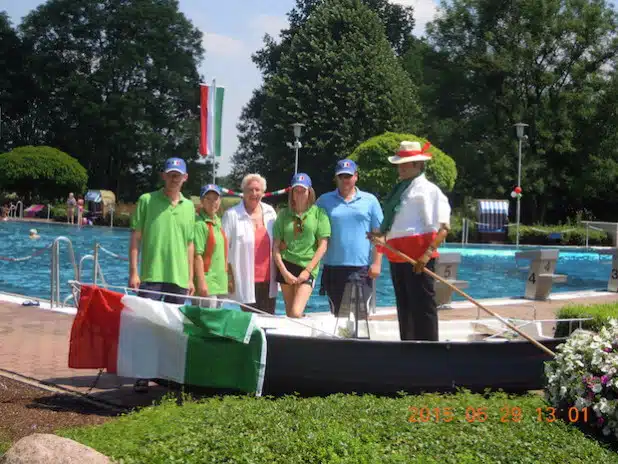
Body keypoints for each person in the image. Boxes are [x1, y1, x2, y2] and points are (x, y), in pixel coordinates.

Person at [368, 141, 451, 341]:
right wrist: (380, 237)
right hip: (397, 256)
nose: (400, 168)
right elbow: (399, 225)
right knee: (404, 306)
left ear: (418, 165)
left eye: (405, 164)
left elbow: (444, 227)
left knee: (423, 304)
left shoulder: (429, 191)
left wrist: (427, 253)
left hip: (418, 256)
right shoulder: (400, 190)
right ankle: (408, 344)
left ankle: (429, 347)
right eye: (399, 164)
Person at [129, 157, 196, 392]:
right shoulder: (147, 201)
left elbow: (190, 244)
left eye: (178, 174)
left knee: (175, 329)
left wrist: (189, 277)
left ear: (185, 178)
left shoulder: (189, 207)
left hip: (179, 278)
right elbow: (136, 237)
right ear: (163, 176)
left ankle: (171, 375)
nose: (174, 177)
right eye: (171, 174)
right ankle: (142, 374)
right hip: (152, 275)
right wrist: (134, 271)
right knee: (148, 326)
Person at [316, 159, 384, 316]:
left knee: (361, 316)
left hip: (361, 268)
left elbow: (379, 234)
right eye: (341, 176)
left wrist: (377, 263)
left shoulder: (370, 201)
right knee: (338, 316)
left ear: (356, 176)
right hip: (333, 267)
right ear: (336, 178)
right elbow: (313, 231)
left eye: (348, 176)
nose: (345, 180)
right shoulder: (323, 201)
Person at [273, 173, 331, 318]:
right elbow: (275, 247)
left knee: (296, 312)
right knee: (289, 314)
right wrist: (284, 272)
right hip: (286, 266)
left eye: (302, 191)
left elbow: (323, 245)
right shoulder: (283, 215)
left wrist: (307, 270)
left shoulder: (319, 214)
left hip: (307, 266)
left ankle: (308, 326)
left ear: (309, 192)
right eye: (296, 191)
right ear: (291, 193)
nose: (299, 195)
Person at [222, 174, 278, 314]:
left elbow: (279, 242)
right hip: (244, 280)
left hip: (269, 279)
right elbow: (223, 249)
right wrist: (227, 277)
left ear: (263, 192)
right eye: (250, 190)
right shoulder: (232, 215)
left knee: (268, 321)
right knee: (250, 323)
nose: (254, 194)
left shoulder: (271, 212)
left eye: (257, 190)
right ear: (243, 192)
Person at [194, 184, 234, 308]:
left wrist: (229, 278)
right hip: (207, 283)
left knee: (216, 322)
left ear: (220, 201)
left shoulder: (218, 221)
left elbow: (223, 254)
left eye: (215, 199)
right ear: (201, 201)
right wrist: (201, 282)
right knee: (205, 322)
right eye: (208, 198)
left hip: (220, 283)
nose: (212, 202)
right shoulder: (199, 224)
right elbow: (197, 256)